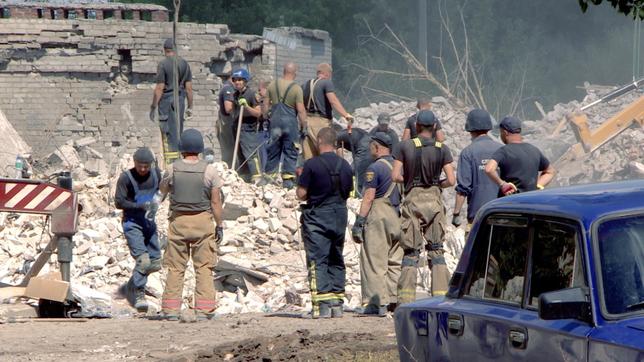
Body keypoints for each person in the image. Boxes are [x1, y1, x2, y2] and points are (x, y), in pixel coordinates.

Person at [158, 129, 224, 321]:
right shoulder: (210, 171)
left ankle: (170, 310)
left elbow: (162, 191)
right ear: (200, 149)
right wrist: (219, 225)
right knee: (204, 266)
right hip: (203, 223)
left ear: (181, 149)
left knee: (176, 267)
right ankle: (204, 310)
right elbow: (215, 203)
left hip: (178, 222)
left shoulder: (172, 169)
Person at [392, 109, 455, 303]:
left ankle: (406, 301)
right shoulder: (442, 148)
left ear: (416, 126)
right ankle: (440, 297)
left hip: (413, 199)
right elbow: (451, 180)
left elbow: (395, 176)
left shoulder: (405, 146)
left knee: (411, 251)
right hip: (434, 199)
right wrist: (437, 185)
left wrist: (410, 179)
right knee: (436, 249)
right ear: (435, 127)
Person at [297, 127, 353, 318]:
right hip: (339, 215)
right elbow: (349, 193)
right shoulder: (346, 165)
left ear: (320, 141)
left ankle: (321, 307)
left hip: (318, 216)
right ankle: (337, 304)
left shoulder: (312, 165)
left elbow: (301, 194)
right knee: (336, 257)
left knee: (317, 260)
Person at [351, 132, 403, 316]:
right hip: (397, 214)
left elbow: (369, 196)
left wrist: (359, 221)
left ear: (377, 147)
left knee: (374, 259)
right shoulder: (399, 166)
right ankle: (394, 300)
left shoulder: (375, 168)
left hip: (379, 213)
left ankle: (376, 303)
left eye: (371, 145)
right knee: (395, 261)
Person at [114, 147, 163, 312]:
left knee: (155, 262)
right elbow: (119, 202)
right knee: (143, 261)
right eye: (140, 166)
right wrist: (139, 206)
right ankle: (138, 293)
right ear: (134, 163)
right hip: (132, 223)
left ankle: (129, 288)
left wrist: (157, 202)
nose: (143, 169)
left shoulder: (156, 174)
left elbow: (161, 191)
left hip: (149, 223)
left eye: (146, 166)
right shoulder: (126, 178)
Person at [452, 109, 502, 232]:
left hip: (478, 215)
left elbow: (463, 187)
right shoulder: (502, 149)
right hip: (502, 212)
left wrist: (456, 214)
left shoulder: (468, 152)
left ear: (470, 128)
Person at [261, 62, 307, 189]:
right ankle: (287, 180)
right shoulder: (296, 88)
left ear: (284, 71)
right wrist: (304, 126)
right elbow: (301, 110)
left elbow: (265, 104)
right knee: (291, 150)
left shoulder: (272, 85)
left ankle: (269, 177)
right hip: (290, 123)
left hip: (275, 122)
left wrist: (266, 118)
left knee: (273, 149)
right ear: (295, 73)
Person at [484, 116, 556, 197]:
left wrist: (503, 184)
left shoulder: (504, 151)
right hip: (531, 202)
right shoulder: (533, 149)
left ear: (505, 132)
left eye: (501, 132)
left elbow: (489, 169)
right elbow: (550, 171)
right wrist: (537, 186)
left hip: (510, 202)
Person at [150, 38, 193, 165]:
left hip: (166, 104)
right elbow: (189, 89)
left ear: (165, 50)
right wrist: (190, 106)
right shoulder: (184, 64)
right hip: (180, 101)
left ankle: (170, 165)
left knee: (168, 133)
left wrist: (153, 107)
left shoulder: (163, 64)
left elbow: (159, 88)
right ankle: (178, 162)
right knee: (178, 132)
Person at [302, 63, 353, 160]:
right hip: (321, 124)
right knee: (325, 155)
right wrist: (346, 115)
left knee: (309, 157)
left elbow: (300, 105)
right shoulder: (326, 83)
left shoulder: (305, 85)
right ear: (327, 73)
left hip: (307, 122)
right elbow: (333, 100)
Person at [225, 68, 263, 183]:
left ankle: (257, 177)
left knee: (250, 154)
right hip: (237, 127)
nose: (237, 82)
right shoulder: (236, 94)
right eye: (235, 80)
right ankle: (245, 177)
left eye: (240, 80)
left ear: (245, 81)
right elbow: (229, 110)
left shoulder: (251, 94)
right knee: (240, 155)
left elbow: (258, 113)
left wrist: (246, 106)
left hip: (248, 128)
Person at [335, 125, 371, 193]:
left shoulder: (338, 136)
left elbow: (340, 159)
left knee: (352, 171)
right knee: (362, 172)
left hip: (363, 146)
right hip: (369, 143)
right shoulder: (346, 133)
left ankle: (358, 194)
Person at [217, 74, 235, 168]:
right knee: (229, 149)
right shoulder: (228, 89)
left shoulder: (227, 87)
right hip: (227, 124)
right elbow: (228, 108)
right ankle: (229, 169)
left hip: (226, 123)